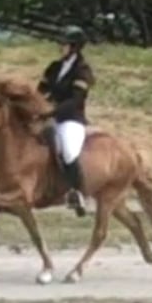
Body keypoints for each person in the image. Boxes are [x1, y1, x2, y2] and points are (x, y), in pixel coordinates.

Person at [36, 25, 95, 217]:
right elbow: (41, 91)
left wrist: (53, 110)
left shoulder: (83, 70)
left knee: (68, 152)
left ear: (75, 47)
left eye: (64, 44)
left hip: (71, 119)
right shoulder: (54, 67)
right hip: (49, 116)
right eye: (60, 43)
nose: (60, 47)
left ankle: (77, 192)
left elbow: (76, 99)